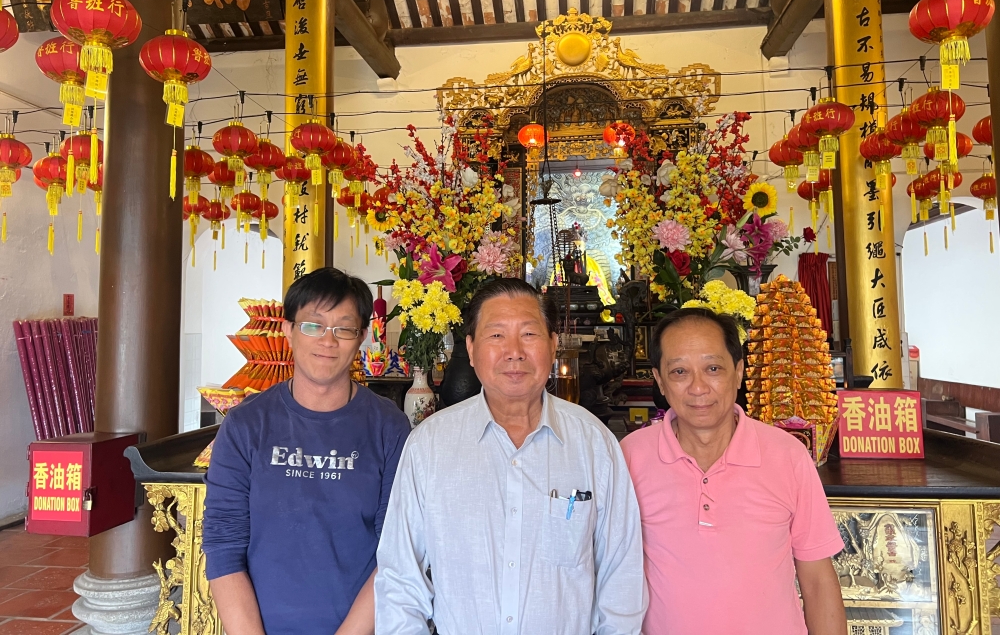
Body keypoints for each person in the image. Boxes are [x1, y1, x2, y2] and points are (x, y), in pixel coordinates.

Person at [375, 278, 647, 635]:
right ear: (470, 349)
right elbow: (400, 580)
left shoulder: (594, 443)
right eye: (496, 335)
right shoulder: (429, 445)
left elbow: (621, 577)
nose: (514, 351)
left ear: (553, 345)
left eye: (529, 334)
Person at [203, 268, 411, 635]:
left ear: (362, 336)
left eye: (343, 328)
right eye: (313, 325)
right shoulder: (245, 425)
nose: (327, 341)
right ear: (288, 330)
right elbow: (223, 543)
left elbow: (395, 549)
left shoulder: (388, 427)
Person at [621, 307, 847, 635]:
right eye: (680, 372)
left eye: (713, 368)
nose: (698, 388)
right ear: (660, 381)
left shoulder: (787, 456)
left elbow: (817, 583)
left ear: (739, 372)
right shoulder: (631, 456)